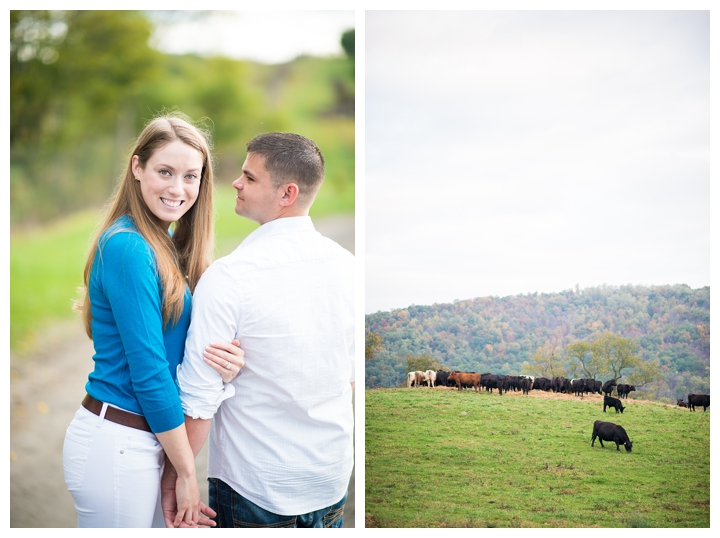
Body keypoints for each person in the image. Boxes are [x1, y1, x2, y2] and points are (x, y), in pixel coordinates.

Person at [62, 112, 245, 528]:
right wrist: (184, 473)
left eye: (190, 176)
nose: (178, 189)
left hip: (147, 441)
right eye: (165, 171)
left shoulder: (163, 246)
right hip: (118, 444)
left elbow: (181, 346)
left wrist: (226, 362)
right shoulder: (129, 247)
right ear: (137, 167)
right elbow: (149, 373)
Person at [167, 132, 355, 528]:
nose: (235, 183)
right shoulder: (348, 267)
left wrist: (177, 480)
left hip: (256, 488)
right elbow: (351, 378)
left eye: (250, 178)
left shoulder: (231, 276)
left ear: (287, 193)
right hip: (330, 479)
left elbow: (200, 396)